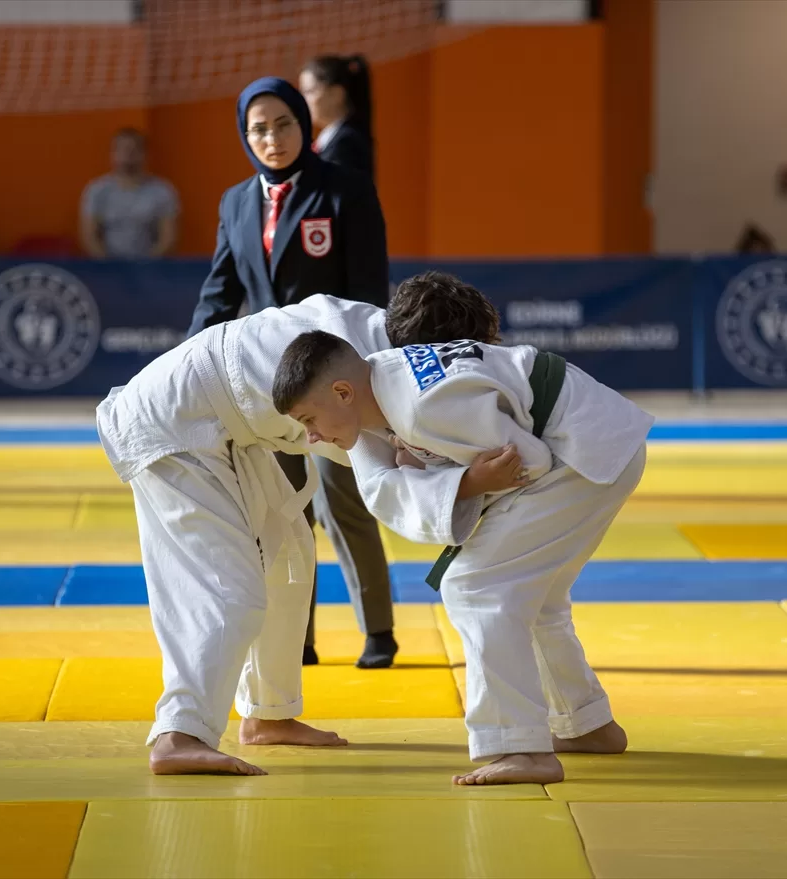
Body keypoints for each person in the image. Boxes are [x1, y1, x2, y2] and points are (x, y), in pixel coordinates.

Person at [96, 289, 523, 777]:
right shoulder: (356, 369)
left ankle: (267, 714)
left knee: (289, 563)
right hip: (174, 422)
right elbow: (381, 480)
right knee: (226, 589)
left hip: (232, 428)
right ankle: (179, 734)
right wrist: (467, 482)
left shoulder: (379, 350)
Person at [271, 271, 655, 786]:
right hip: (594, 440)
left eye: (308, 420)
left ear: (342, 392)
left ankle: (520, 746)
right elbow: (402, 482)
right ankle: (586, 723)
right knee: (532, 600)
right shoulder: (382, 388)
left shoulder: (422, 405)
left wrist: (459, 477)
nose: (311, 438)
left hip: (582, 452)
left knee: (475, 586)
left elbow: (527, 463)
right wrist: (448, 472)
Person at [187, 76, 395, 669]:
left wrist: (361, 380)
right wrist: (185, 364)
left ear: (303, 125)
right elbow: (220, 293)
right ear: (244, 135)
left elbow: (367, 295)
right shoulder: (236, 202)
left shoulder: (346, 189)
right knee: (280, 511)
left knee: (343, 503)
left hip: (334, 378)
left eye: (283, 124)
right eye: (259, 129)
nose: (272, 139)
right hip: (264, 385)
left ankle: (378, 631)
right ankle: (295, 638)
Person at [80, 128, 180, 258]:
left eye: (134, 150)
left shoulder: (163, 192)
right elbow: (89, 236)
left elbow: (168, 238)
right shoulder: (97, 191)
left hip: (151, 265)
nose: (128, 155)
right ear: (112, 154)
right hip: (106, 266)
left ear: (144, 153)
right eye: (123, 149)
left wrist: (146, 264)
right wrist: (107, 264)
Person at [299, 55, 375, 178]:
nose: (303, 100)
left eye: (309, 91)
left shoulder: (346, 143)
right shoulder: (332, 138)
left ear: (336, 94)